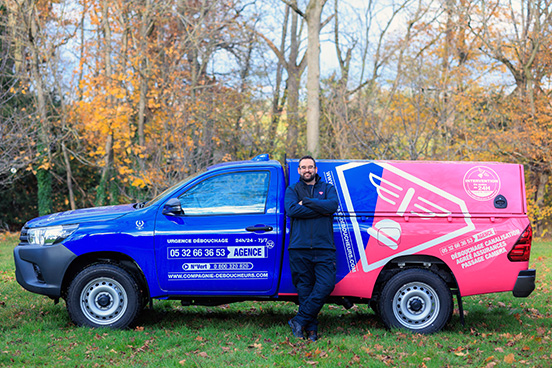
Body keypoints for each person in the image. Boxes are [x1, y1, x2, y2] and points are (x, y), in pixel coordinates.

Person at [284, 155, 339, 341]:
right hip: (299, 248)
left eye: (310, 167)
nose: (307, 170)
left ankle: (298, 320)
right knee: (305, 290)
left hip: (324, 248)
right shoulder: (292, 189)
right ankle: (311, 331)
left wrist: (306, 202)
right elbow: (292, 210)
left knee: (326, 285)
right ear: (299, 170)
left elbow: (332, 206)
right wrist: (319, 208)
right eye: (303, 167)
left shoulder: (328, 188)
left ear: (316, 169)